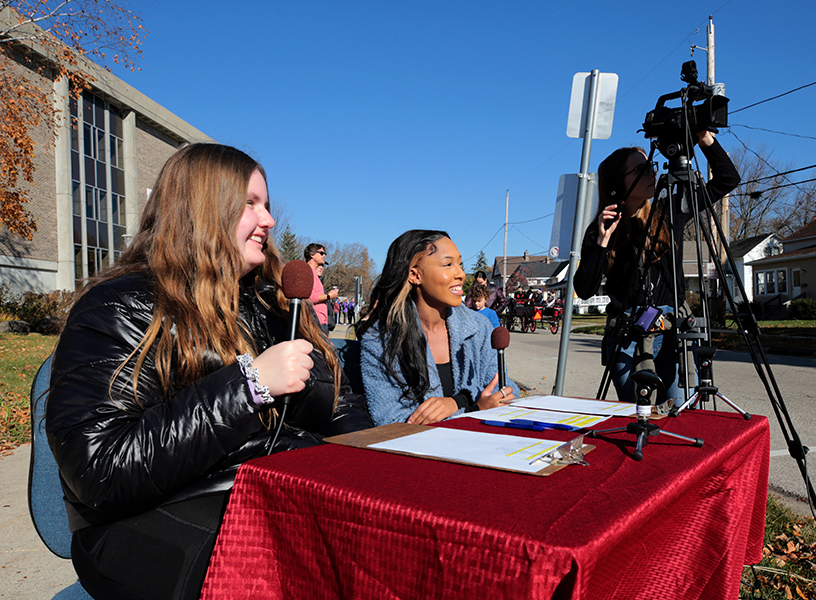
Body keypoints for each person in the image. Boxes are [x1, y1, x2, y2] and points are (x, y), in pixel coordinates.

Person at [45, 144, 371, 600]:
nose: (270, 221)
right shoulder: (120, 306)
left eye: (268, 205)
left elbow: (341, 406)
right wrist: (249, 384)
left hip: (274, 497)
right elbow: (102, 469)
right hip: (149, 519)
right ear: (202, 210)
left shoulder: (275, 304)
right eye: (250, 204)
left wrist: (373, 466)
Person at [573, 131, 740, 406]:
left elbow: (728, 179)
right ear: (618, 182)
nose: (651, 173)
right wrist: (602, 242)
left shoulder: (669, 211)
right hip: (628, 336)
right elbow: (585, 289)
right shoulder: (601, 230)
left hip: (673, 331)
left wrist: (703, 138)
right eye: (640, 169)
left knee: (679, 418)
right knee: (639, 418)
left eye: (650, 166)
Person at [358, 230, 519, 426]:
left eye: (460, 264)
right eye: (448, 264)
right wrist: (474, 406)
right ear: (415, 275)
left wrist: (460, 403)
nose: (460, 274)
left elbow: (506, 389)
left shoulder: (479, 327)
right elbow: (389, 420)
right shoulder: (380, 339)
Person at [305, 242, 339, 334]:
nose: (324, 255)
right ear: (311, 254)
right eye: (321, 253)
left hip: (321, 322)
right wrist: (329, 296)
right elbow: (309, 297)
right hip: (315, 322)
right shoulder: (307, 272)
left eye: (325, 253)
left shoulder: (314, 274)